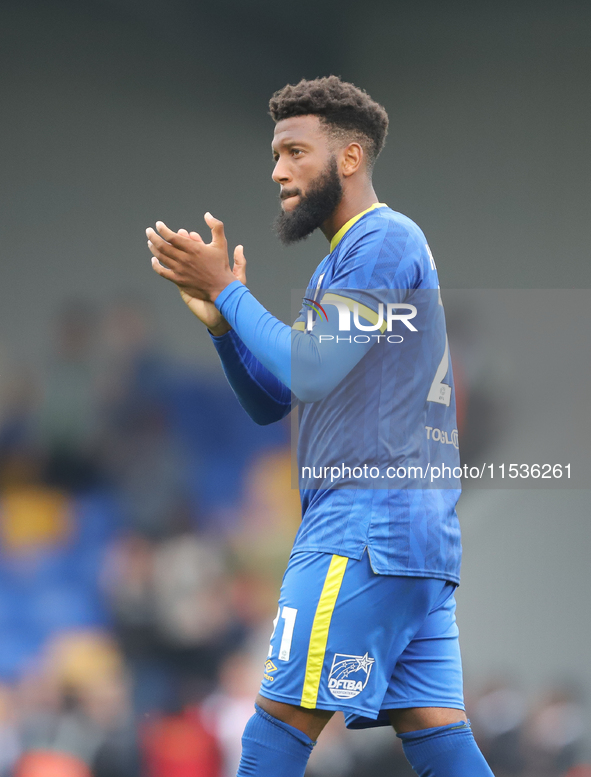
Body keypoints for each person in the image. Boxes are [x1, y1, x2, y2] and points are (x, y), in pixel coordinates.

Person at [147, 76, 494, 777]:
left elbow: (305, 369)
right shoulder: (342, 263)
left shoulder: (384, 239)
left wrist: (229, 289)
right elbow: (274, 398)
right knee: (439, 738)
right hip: (411, 538)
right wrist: (222, 329)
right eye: (276, 154)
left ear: (349, 156)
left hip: (363, 528)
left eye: (295, 150)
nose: (278, 169)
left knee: (273, 730)